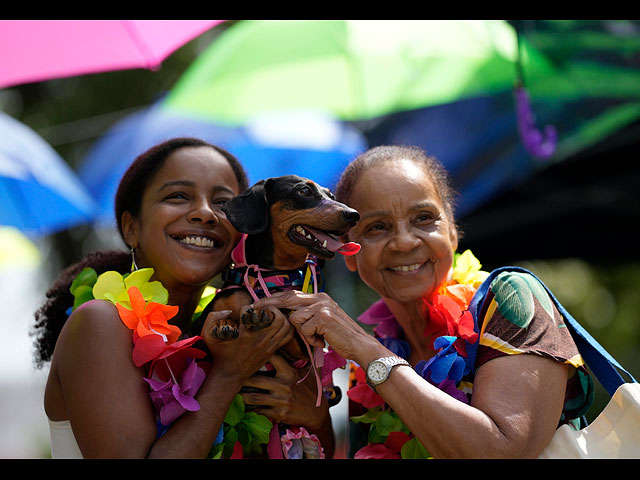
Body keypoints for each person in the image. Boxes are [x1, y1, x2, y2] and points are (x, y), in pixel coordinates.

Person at [252, 145, 593, 459]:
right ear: (348, 253)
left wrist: (367, 351)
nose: (403, 242)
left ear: (453, 231)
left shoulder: (508, 296)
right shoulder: (362, 373)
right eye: (377, 227)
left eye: (424, 219)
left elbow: (501, 451)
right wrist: (315, 418)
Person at [32, 137, 334, 459]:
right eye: (177, 196)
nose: (205, 214)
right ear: (131, 228)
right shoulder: (100, 323)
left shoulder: (230, 332)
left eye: (222, 203)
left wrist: (314, 416)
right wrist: (228, 375)